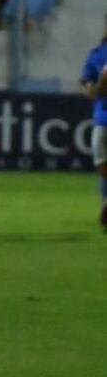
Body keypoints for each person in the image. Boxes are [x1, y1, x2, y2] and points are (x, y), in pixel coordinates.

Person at [79, 14, 107, 228]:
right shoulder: (97, 53)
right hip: (102, 118)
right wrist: (90, 89)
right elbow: (85, 80)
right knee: (101, 163)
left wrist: (98, 89)